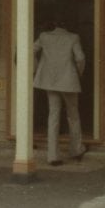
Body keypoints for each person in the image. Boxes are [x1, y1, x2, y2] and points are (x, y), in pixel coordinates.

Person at [33, 18, 86, 166]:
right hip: (69, 80)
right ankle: (76, 149)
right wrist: (78, 73)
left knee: (53, 115)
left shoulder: (44, 37)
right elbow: (80, 57)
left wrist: (37, 69)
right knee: (73, 115)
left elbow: (31, 50)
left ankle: (53, 155)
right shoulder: (73, 37)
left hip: (50, 80)